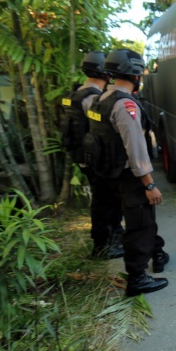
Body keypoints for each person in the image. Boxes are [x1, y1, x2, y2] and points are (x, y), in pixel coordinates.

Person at [86, 49, 169, 296]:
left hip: (108, 173)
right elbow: (135, 148)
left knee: (141, 221)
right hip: (129, 177)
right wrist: (149, 184)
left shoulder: (100, 99)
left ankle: (158, 253)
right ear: (134, 74)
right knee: (139, 225)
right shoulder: (125, 105)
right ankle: (137, 279)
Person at [61, 51, 124, 259]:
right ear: (105, 73)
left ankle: (104, 242)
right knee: (107, 201)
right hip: (97, 159)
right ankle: (106, 245)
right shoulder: (93, 99)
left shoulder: (76, 94)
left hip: (83, 156)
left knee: (101, 199)